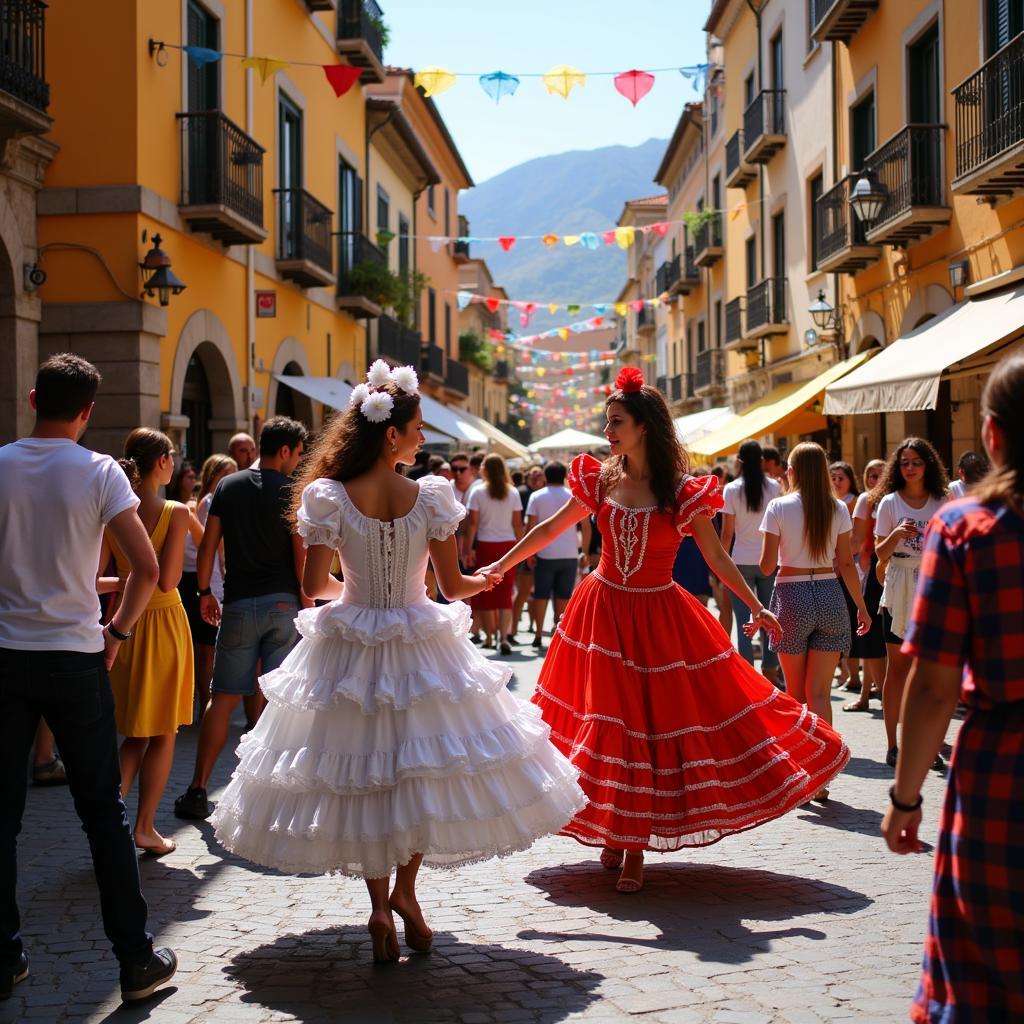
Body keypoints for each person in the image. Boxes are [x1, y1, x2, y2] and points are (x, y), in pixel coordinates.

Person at [211, 361, 585, 962]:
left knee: (363, 775)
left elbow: (315, 583)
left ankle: (380, 905)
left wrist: (355, 595)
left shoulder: (329, 497)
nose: (422, 438)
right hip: (420, 641)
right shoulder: (430, 497)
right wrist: (486, 576)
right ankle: (407, 895)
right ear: (392, 433)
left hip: (352, 645)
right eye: (416, 428)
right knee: (416, 775)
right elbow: (453, 585)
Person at [478, 368, 850, 894]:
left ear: (644, 427)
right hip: (600, 615)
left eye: (617, 422)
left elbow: (717, 555)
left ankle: (633, 848)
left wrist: (756, 606)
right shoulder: (599, 478)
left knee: (647, 728)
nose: (608, 431)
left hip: (659, 618)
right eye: (607, 422)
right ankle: (617, 831)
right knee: (609, 722)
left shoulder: (681, 491)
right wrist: (502, 566)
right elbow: (549, 529)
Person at [0, 354, 175, 1002]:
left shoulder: (1, 465)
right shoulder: (100, 471)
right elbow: (147, 569)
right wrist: (117, 633)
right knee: (103, 812)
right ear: (88, 411)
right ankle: (134, 962)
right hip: (75, 657)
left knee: (3, 818)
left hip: (5, 654)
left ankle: (4, 957)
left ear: (31, 397)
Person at [882, 349, 1024, 1022]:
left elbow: (935, 685)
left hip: (1004, 771)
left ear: (991, 436)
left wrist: (905, 798)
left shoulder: (967, 530)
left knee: (986, 973)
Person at [174, 417, 308, 821]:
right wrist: (307, 602)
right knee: (278, 699)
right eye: (298, 454)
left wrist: (203, 593)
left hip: (237, 603)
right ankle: (270, 796)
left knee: (223, 698)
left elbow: (209, 546)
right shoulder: (291, 493)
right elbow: (300, 556)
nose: (298, 462)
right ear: (284, 451)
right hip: (283, 603)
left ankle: (198, 788)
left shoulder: (227, 488)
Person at [758, 443, 871, 800]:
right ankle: (823, 776)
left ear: (791, 471)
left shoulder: (778, 506)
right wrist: (862, 607)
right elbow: (847, 564)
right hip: (830, 595)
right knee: (821, 694)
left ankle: (800, 772)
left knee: (794, 694)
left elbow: (764, 566)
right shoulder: (837, 507)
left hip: (791, 596)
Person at [101, 430, 194, 858]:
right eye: (171, 455)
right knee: (163, 733)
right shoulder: (174, 512)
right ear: (159, 462)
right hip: (164, 622)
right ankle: (144, 827)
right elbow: (170, 578)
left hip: (125, 621)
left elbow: (96, 577)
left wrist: (126, 583)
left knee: (134, 734)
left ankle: (111, 826)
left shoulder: (113, 510)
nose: (174, 462)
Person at [872, 438, 949, 769]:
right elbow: (878, 553)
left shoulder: (942, 501)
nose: (911, 468)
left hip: (933, 588)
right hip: (899, 588)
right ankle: (893, 744)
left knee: (929, 671)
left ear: (928, 464)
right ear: (897, 468)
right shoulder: (889, 502)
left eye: (916, 462)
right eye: (904, 462)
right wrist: (896, 536)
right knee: (899, 669)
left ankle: (930, 746)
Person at [720, 440, 782, 686]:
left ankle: (748, 677)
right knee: (768, 617)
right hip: (769, 559)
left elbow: (727, 534)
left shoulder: (732, 489)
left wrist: (719, 567)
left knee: (745, 619)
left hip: (740, 562)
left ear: (740, 461)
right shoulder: (775, 487)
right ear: (762, 460)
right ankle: (771, 672)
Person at [180, 454, 236, 720]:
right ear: (213, 475)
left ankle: (207, 702)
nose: (230, 478)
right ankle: (205, 703)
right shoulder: (210, 502)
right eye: (225, 473)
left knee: (208, 647)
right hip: (202, 580)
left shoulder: (218, 500)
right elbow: (211, 546)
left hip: (209, 579)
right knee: (205, 648)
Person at [464, 454, 524, 655]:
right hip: (508, 545)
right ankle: (504, 637)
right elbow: (517, 524)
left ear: (486, 469)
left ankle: (490, 636)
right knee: (506, 592)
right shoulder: (513, 492)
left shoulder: (478, 492)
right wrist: (524, 549)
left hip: (485, 545)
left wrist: (468, 548)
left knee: (487, 589)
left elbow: (472, 523)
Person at [525, 462, 585, 649]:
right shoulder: (573, 496)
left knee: (541, 595)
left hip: (545, 553)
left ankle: (537, 633)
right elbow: (585, 526)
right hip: (569, 554)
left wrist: (529, 552)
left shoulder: (536, 496)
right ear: (564, 476)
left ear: (545, 476)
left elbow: (531, 526)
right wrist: (583, 550)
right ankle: (559, 634)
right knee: (563, 596)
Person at [843, 459, 887, 713]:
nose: (876, 480)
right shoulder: (865, 500)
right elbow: (856, 540)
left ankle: (868, 694)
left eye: (881, 475)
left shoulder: (895, 498)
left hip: (893, 574)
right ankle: (870, 693)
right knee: (871, 638)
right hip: (869, 574)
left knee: (884, 640)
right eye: (871, 476)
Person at [829, 461, 861, 691]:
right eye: (833, 477)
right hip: (831, 569)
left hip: (852, 569)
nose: (837, 482)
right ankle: (844, 671)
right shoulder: (830, 503)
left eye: (841, 477)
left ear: (850, 479)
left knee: (849, 622)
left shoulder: (853, 503)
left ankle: (851, 673)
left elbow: (854, 544)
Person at [512, 465, 545, 644]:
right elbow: (522, 524)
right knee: (524, 592)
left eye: (539, 474)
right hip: (528, 548)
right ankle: (513, 629)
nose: (536, 477)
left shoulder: (537, 494)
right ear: (527, 477)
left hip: (539, 548)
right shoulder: (523, 493)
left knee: (533, 592)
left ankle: (532, 625)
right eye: (533, 474)